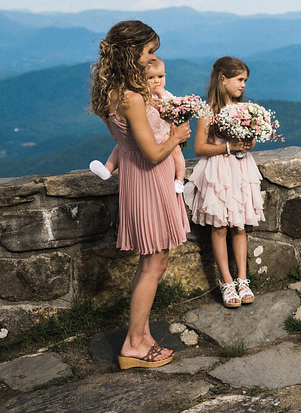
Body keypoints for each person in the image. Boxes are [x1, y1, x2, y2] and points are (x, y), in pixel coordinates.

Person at [89, 20, 191, 370]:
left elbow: (129, 143)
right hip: (149, 177)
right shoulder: (132, 97)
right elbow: (151, 152)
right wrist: (177, 136)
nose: (153, 59)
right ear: (132, 53)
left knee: (153, 260)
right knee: (153, 262)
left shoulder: (114, 90)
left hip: (138, 176)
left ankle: (142, 333)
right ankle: (134, 344)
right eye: (149, 52)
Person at [186, 57, 265, 309]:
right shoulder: (209, 110)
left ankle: (243, 278)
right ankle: (226, 280)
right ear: (223, 79)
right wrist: (228, 146)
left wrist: (248, 142)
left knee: (240, 226)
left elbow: (249, 140)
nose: (243, 85)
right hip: (219, 171)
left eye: (245, 80)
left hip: (241, 170)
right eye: (239, 79)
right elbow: (199, 147)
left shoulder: (245, 109)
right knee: (220, 227)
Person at [90, 58, 186, 194]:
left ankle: (180, 180)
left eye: (160, 76)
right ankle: (107, 169)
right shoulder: (140, 97)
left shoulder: (166, 94)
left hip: (163, 135)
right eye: (151, 78)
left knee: (176, 151)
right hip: (145, 139)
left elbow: (174, 108)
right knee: (119, 147)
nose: (157, 81)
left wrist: (162, 96)